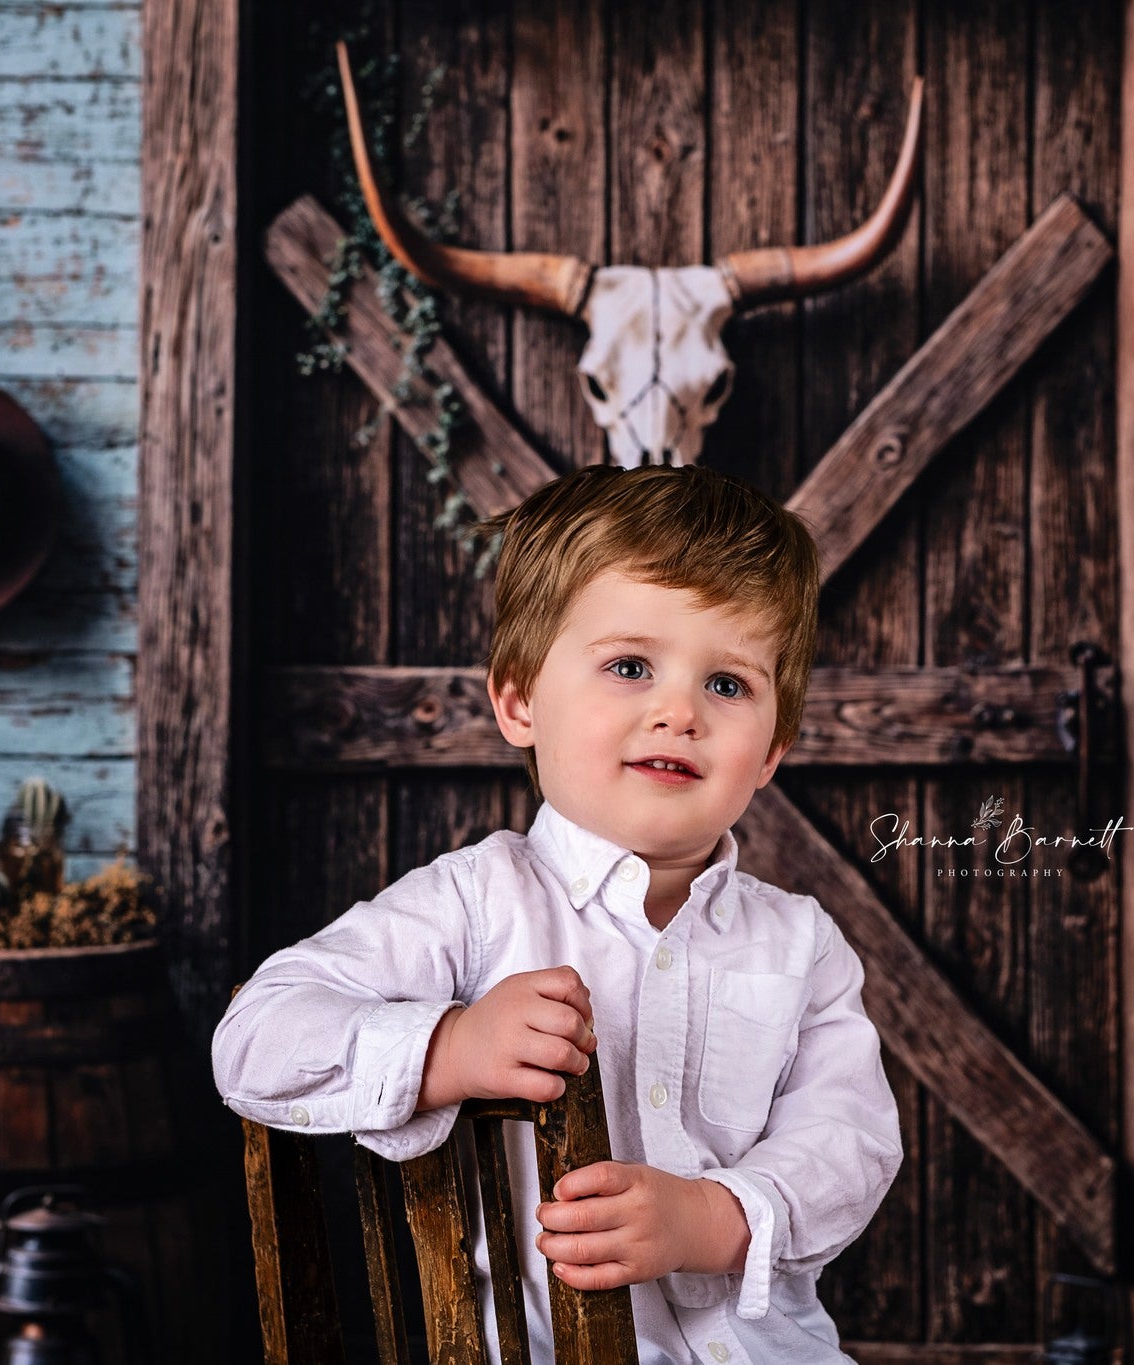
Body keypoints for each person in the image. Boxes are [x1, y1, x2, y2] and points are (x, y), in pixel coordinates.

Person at [212, 462, 903, 1364]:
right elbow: (253, 1038)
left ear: (771, 749)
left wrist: (715, 1216)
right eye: (629, 665)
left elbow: (850, 1140)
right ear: (519, 699)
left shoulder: (800, 943)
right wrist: (448, 1048)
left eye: (727, 685)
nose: (678, 710)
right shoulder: (475, 903)